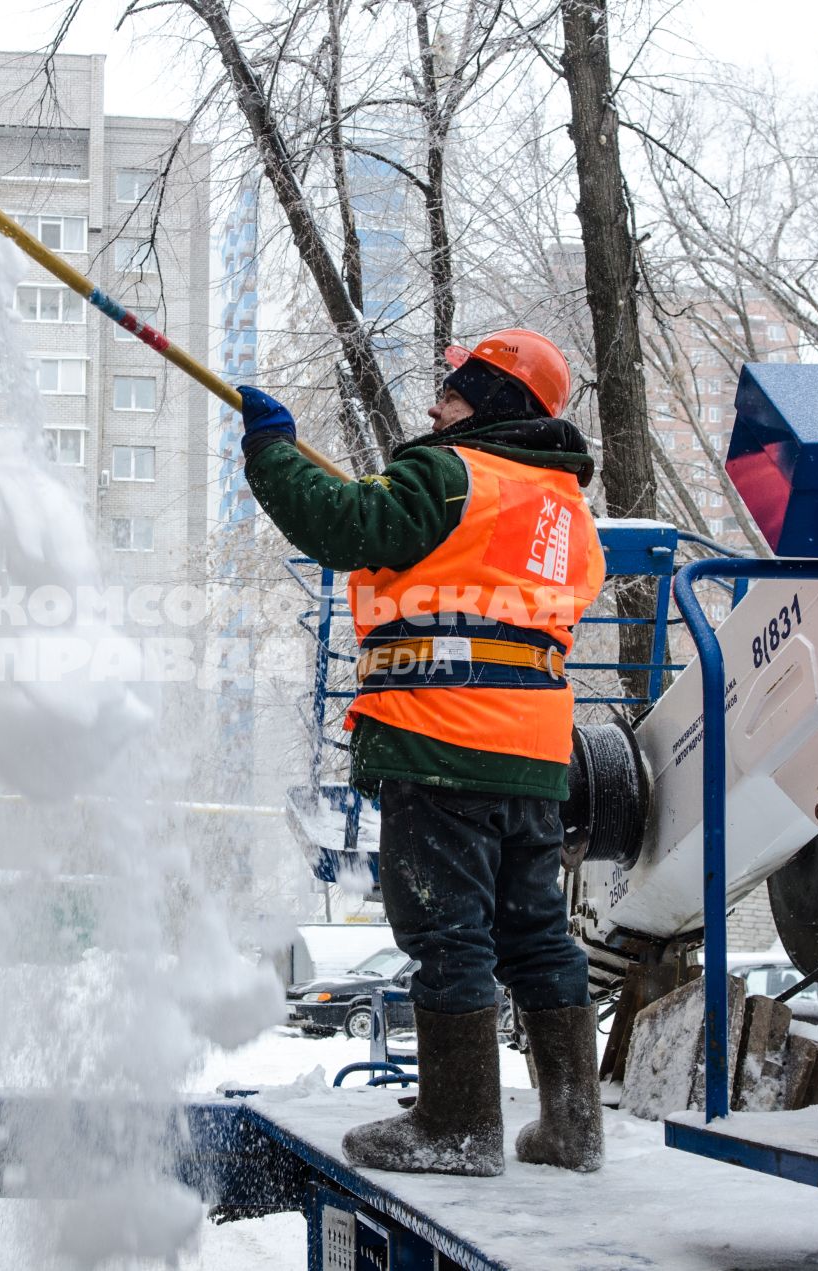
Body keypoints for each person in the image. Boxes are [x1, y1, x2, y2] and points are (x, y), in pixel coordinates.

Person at [237, 329, 606, 1177]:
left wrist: (271, 452)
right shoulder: (566, 514)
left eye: (454, 392)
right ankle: (571, 1128)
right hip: (536, 754)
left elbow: (345, 526)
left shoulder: (449, 474)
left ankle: (460, 1124)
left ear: (493, 402)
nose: (437, 407)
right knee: (536, 933)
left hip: (442, 741)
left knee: (446, 930)